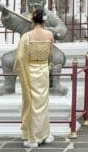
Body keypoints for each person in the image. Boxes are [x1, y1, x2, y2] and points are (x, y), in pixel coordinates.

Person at [16, 8, 55, 148]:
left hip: (30, 72)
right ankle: (44, 135)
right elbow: (51, 55)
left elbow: (20, 58)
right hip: (43, 70)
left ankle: (32, 138)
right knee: (42, 104)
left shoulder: (26, 36)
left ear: (32, 19)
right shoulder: (50, 34)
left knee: (31, 104)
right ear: (44, 20)